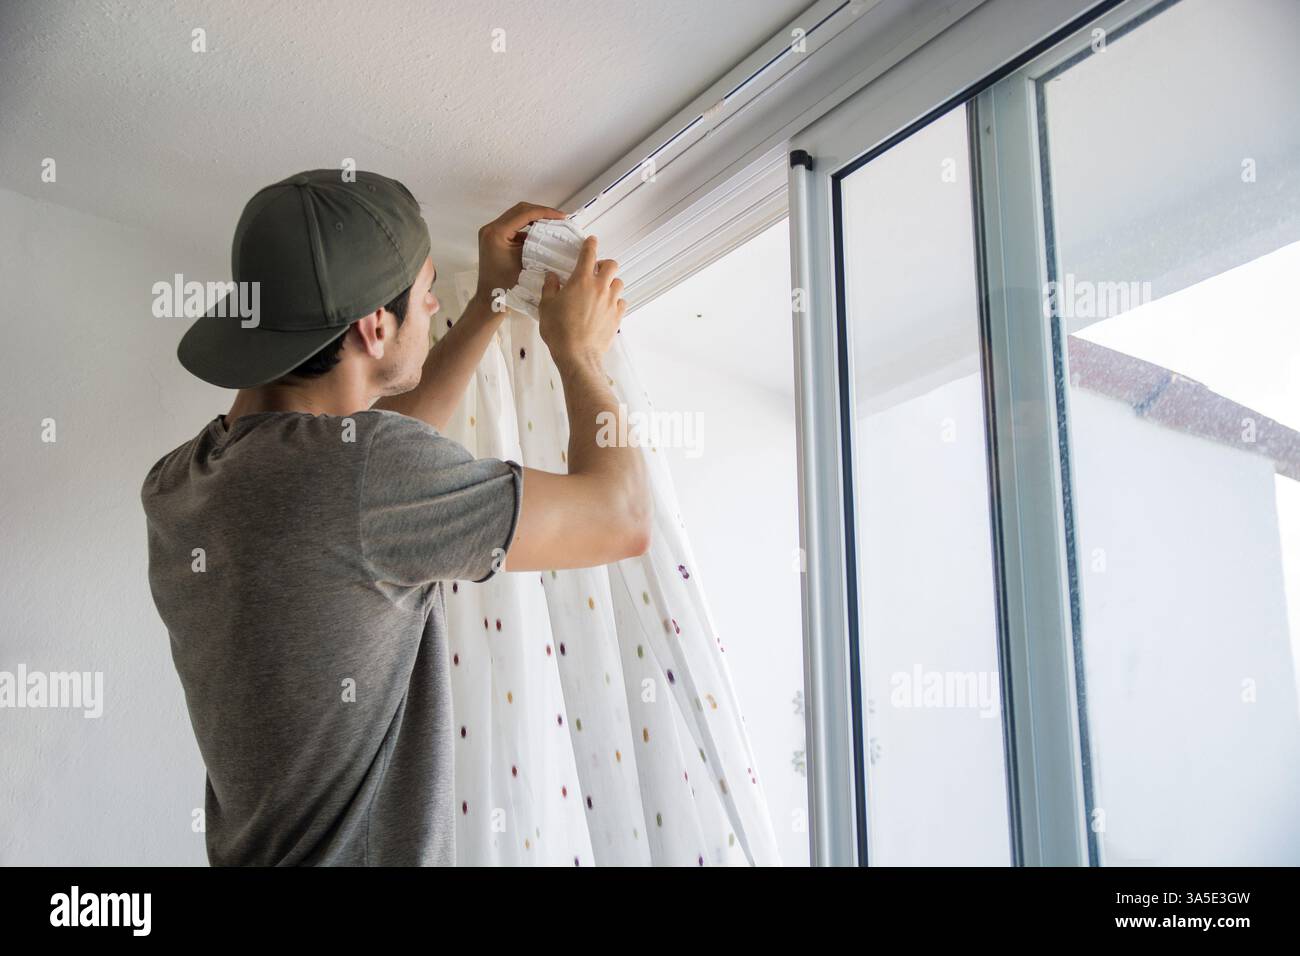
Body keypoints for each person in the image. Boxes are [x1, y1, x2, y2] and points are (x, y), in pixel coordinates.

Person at [140, 169, 651, 866]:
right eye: (426, 294)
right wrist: (580, 351)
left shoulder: (179, 483)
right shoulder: (364, 479)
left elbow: (360, 485)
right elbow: (620, 516)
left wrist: (487, 306)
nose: (436, 302)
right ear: (375, 327)